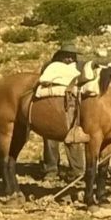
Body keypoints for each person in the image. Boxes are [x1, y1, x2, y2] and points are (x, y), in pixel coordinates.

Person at [40, 43, 85, 180]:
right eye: (67, 56)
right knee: (50, 137)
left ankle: (76, 169)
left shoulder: (78, 68)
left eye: (72, 56)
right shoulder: (50, 67)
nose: (70, 59)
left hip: (71, 105)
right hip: (52, 104)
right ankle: (51, 169)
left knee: (72, 135)